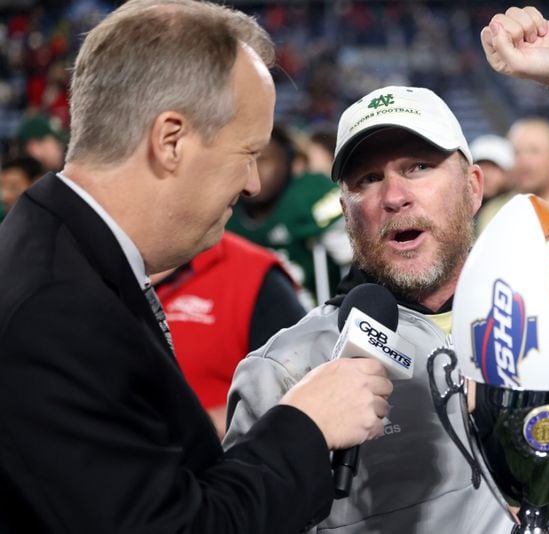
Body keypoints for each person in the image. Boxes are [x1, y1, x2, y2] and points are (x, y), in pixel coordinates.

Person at [225, 5, 549, 533]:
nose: (394, 196)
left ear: (473, 188)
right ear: (347, 211)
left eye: (418, 167)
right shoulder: (288, 370)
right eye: (367, 179)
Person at [0, 1, 392, 532]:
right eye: (246, 151)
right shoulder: (56, 307)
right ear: (171, 141)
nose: (253, 182)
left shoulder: (69, 254)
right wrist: (306, 425)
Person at [153, 231, 306, 439]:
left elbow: (298, 403)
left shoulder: (255, 276)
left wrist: (188, 427)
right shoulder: (99, 260)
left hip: (212, 464)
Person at [226, 124, 352, 306]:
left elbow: (352, 257)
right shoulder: (227, 210)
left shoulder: (310, 192)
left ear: (291, 164)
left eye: (263, 160)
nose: (252, 171)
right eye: (246, 161)